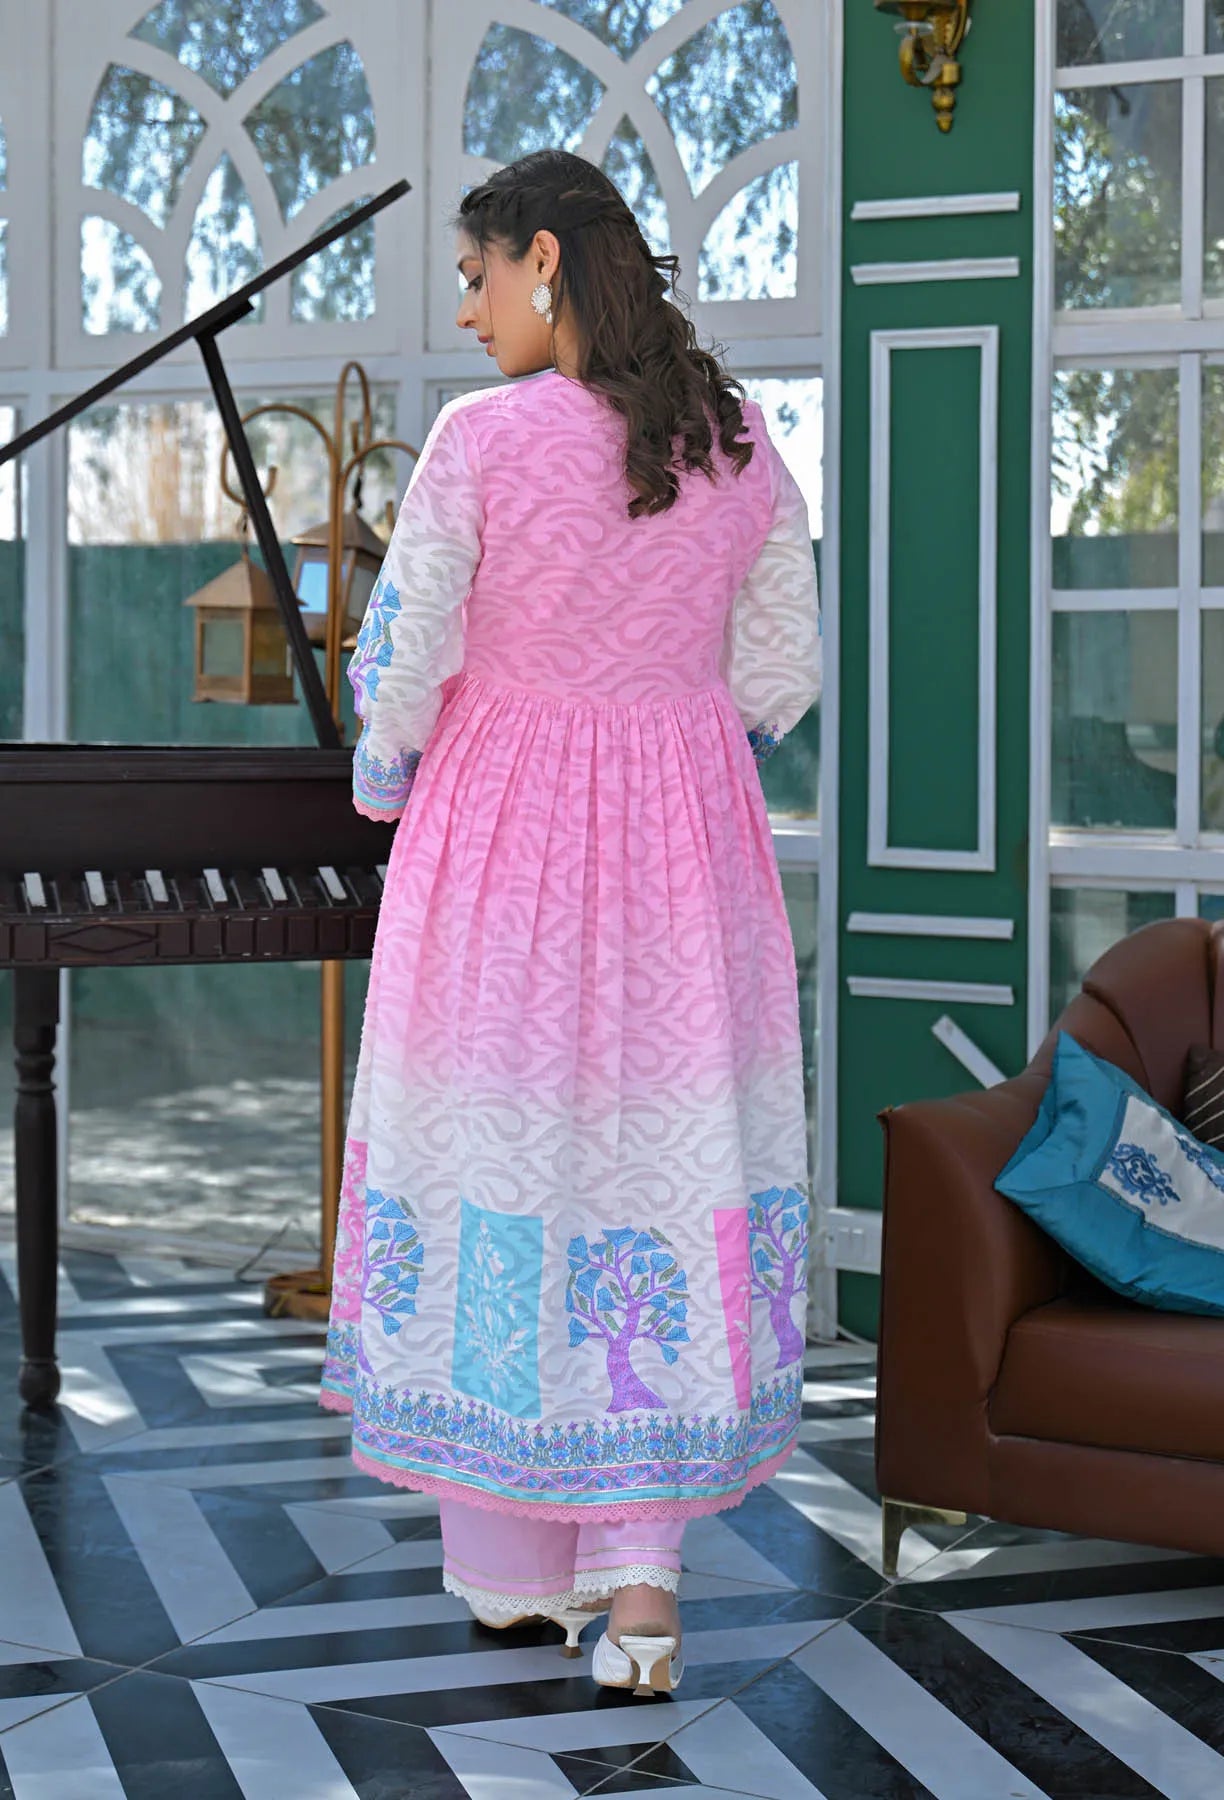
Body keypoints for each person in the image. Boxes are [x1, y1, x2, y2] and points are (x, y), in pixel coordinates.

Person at [320, 147, 822, 1698]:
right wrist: (666, 720)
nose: (466, 314)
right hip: (689, 854)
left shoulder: (480, 443)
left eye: (474, 277)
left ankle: (517, 1572)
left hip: (509, 852)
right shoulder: (737, 439)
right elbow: (779, 678)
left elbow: (400, 662)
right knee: (660, 1176)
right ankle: (646, 1594)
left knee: (510, 1164)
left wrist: (391, 775)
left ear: (543, 258)